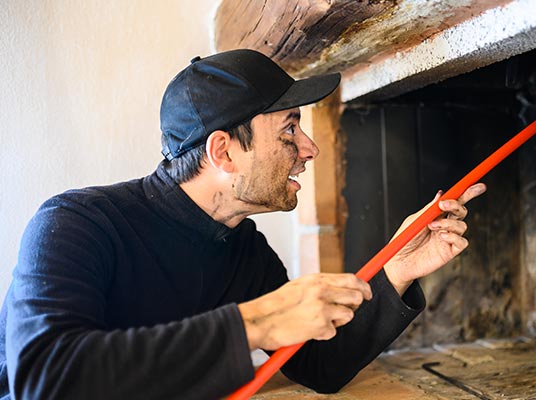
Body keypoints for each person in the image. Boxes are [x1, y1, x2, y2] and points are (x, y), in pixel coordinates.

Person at [0, 49, 486, 399]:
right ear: (224, 151)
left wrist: (398, 269)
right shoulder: (75, 224)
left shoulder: (244, 250)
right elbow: (47, 379)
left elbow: (318, 365)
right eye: (289, 130)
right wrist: (258, 320)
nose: (308, 149)